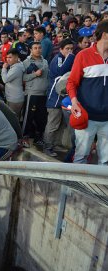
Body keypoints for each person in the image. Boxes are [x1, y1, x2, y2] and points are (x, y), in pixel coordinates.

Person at [66, 21, 108, 165]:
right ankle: (75, 188)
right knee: (80, 158)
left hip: (107, 119)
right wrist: (74, 101)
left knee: (106, 162)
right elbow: (71, 82)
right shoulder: (83, 55)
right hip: (87, 117)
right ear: (105, 35)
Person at [44, 39, 75, 157]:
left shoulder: (67, 59)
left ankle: (54, 144)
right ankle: (47, 147)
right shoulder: (58, 59)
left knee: (61, 124)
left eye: (71, 49)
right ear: (61, 49)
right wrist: (71, 57)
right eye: (67, 48)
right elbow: (60, 72)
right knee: (53, 124)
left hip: (63, 98)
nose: (70, 51)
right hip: (54, 99)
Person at [22, 42, 49, 147]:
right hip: (31, 93)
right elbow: (23, 78)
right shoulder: (26, 62)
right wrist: (35, 74)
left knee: (41, 118)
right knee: (28, 116)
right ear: (31, 50)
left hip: (43, 94)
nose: (38, 50)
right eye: (35, 48)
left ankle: (38, 138)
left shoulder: (45, 61)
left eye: (39, 48)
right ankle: (24, 137)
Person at [2, 49, 25, 119]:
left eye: (10, 57)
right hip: (14, 97)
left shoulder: (16, 68)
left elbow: (5, 79)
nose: (8, 60)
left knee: (13, 119)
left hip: (14, 99)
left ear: (16, 57)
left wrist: (4, 69)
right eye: (7, 57)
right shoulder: (17, 65)